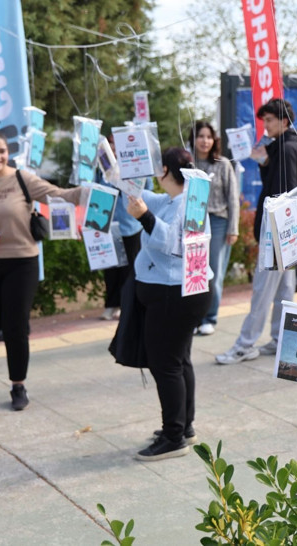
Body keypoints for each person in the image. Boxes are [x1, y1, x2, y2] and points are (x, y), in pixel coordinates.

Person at [0, 128, 85, 410]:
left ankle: (18, 385)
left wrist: (89, 192)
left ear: (8, 153)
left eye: (2, 151)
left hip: (22, 263)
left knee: (15, 325)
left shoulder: (21, 179)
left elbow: (59, 195)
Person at [126, 147, 213, 461]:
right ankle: (183, 427)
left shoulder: (186, 203)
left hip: (174, 294)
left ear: (164, 170)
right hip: (181, 291)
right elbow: (141, 196)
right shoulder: (178, 198)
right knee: (178, 361)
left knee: (166, 365)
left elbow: (174, 243)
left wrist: (145, 218)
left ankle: (174, 437)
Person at [215, 98, 297, 365]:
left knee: (263, 291)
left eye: (269, 120)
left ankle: (245, 344)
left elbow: (282, 194)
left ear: (283, 121)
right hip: (289, 232)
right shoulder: (291, 146)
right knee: (284, 291)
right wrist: (266, 162)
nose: (265, 125)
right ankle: (280, 338)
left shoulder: (286, 149)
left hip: (278, 233)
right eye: (264, 120)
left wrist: (273, 236)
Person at [190, 121, 240, 336]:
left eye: (209, 137)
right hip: (194, 221)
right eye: (201, 136)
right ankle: (193, 317)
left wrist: (233, 228)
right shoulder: (188, 163)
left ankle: (209, 317)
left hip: (218, 221)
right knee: (193, 271)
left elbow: (233, 198)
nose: (205, 141)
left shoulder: (223, 164)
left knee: (213, 272)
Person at [97, 134, 150, 321]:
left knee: (129, 267)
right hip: (108, 224)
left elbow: (147, 190)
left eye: (116, 145)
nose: (113, 148)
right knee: (111, 267)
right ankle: (111, 304)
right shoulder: (103, 168)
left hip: (131, 225)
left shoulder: (134, 167)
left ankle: (126, 304)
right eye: (110, 144)